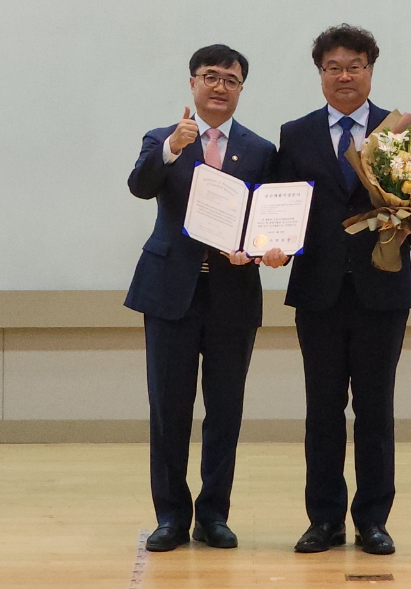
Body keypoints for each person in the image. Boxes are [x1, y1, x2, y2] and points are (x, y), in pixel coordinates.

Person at [124, 43, 286, 552]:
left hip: (232, 295)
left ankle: (214, 515)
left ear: (241, 89)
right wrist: (172, 148)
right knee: (168, 409)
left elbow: (269, 219)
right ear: (193, 82)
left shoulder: (260, 150)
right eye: (210, 76)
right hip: (169, 292)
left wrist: (265, 251)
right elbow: (140, 186)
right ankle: (171, 516)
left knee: (225, 410)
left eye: (231, 80)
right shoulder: (163, 138)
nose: (220, 87)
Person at [277, 24, 411, 557]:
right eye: (333, 67)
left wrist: (406, 222)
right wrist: (270, 243)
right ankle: (323, 520)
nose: (344, 76)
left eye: (354, 66)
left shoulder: (401, 132)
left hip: (380, 291)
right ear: (320, 73)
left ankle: (373, 521)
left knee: (375, 410)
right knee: (322, 411)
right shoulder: (295, 134)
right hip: (317, 292)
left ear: (370, 70)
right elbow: (281, 204)